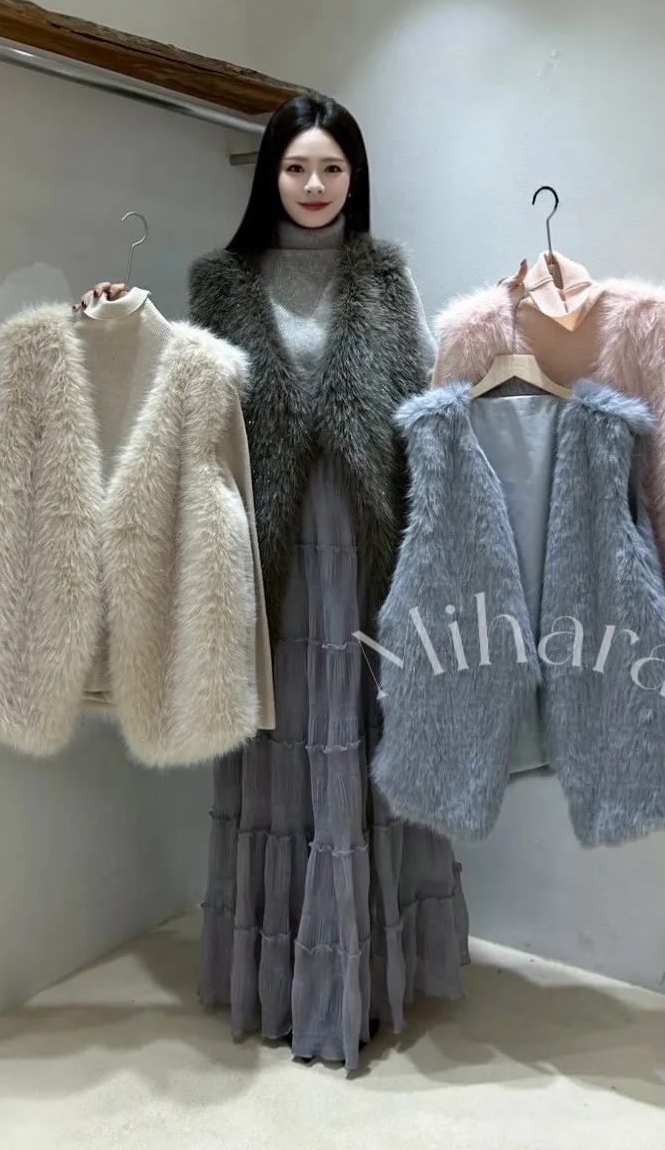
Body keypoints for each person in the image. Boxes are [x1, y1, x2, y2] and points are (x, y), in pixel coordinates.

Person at [186, 94, 469, 1070]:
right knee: (279, 742)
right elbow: (187, 401)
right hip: (264, 558)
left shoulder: (386, 279)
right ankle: (285, 981)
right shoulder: (221, 284)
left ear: (355, 177)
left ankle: (361, 977)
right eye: (296, 166)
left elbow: (426, 401)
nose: (313, 185)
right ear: (270, 173)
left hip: (365, 548)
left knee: (363, 737)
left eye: (332, 168)